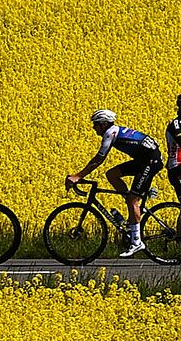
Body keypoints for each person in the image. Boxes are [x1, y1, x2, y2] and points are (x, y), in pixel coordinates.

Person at [67, 109, 164, 254]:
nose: (94, 127)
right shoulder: (115, 131)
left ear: (104, 124)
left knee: (132, 200)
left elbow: (99, 159)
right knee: (112, 175)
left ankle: (136, 242)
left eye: (96, 124)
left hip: (150, 162)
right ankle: (134, 206)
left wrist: (78, 176)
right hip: (144, 159)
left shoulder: (109, 133)